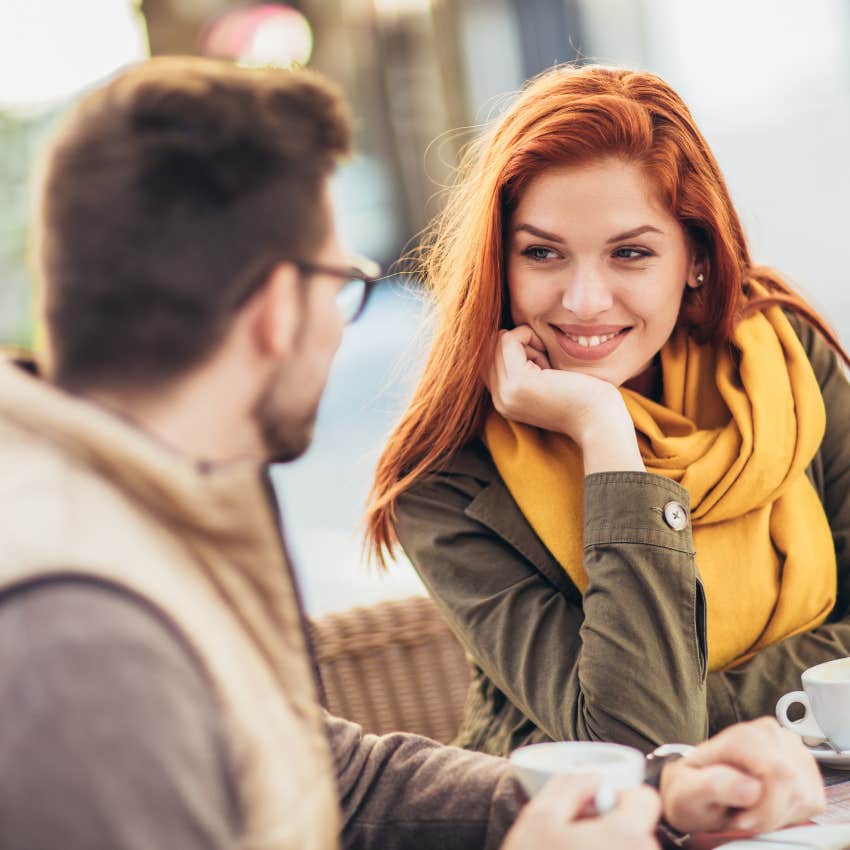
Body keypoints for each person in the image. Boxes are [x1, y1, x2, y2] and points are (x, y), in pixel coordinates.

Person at [0, 56, 822, 850]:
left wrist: (656, 789)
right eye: (342, 282)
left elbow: (339, 781)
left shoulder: (144, 503)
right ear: (279, 311)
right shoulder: (75, 637)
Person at [366, 63, 850, 757]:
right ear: (497, 264)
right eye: (543, 253)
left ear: (697, 258)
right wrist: (602, 430)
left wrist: (695, 704)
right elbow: (638, 740)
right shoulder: (449, 480)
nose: (585, 300)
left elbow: (668, 720)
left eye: (630, 253)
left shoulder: (779, 358)